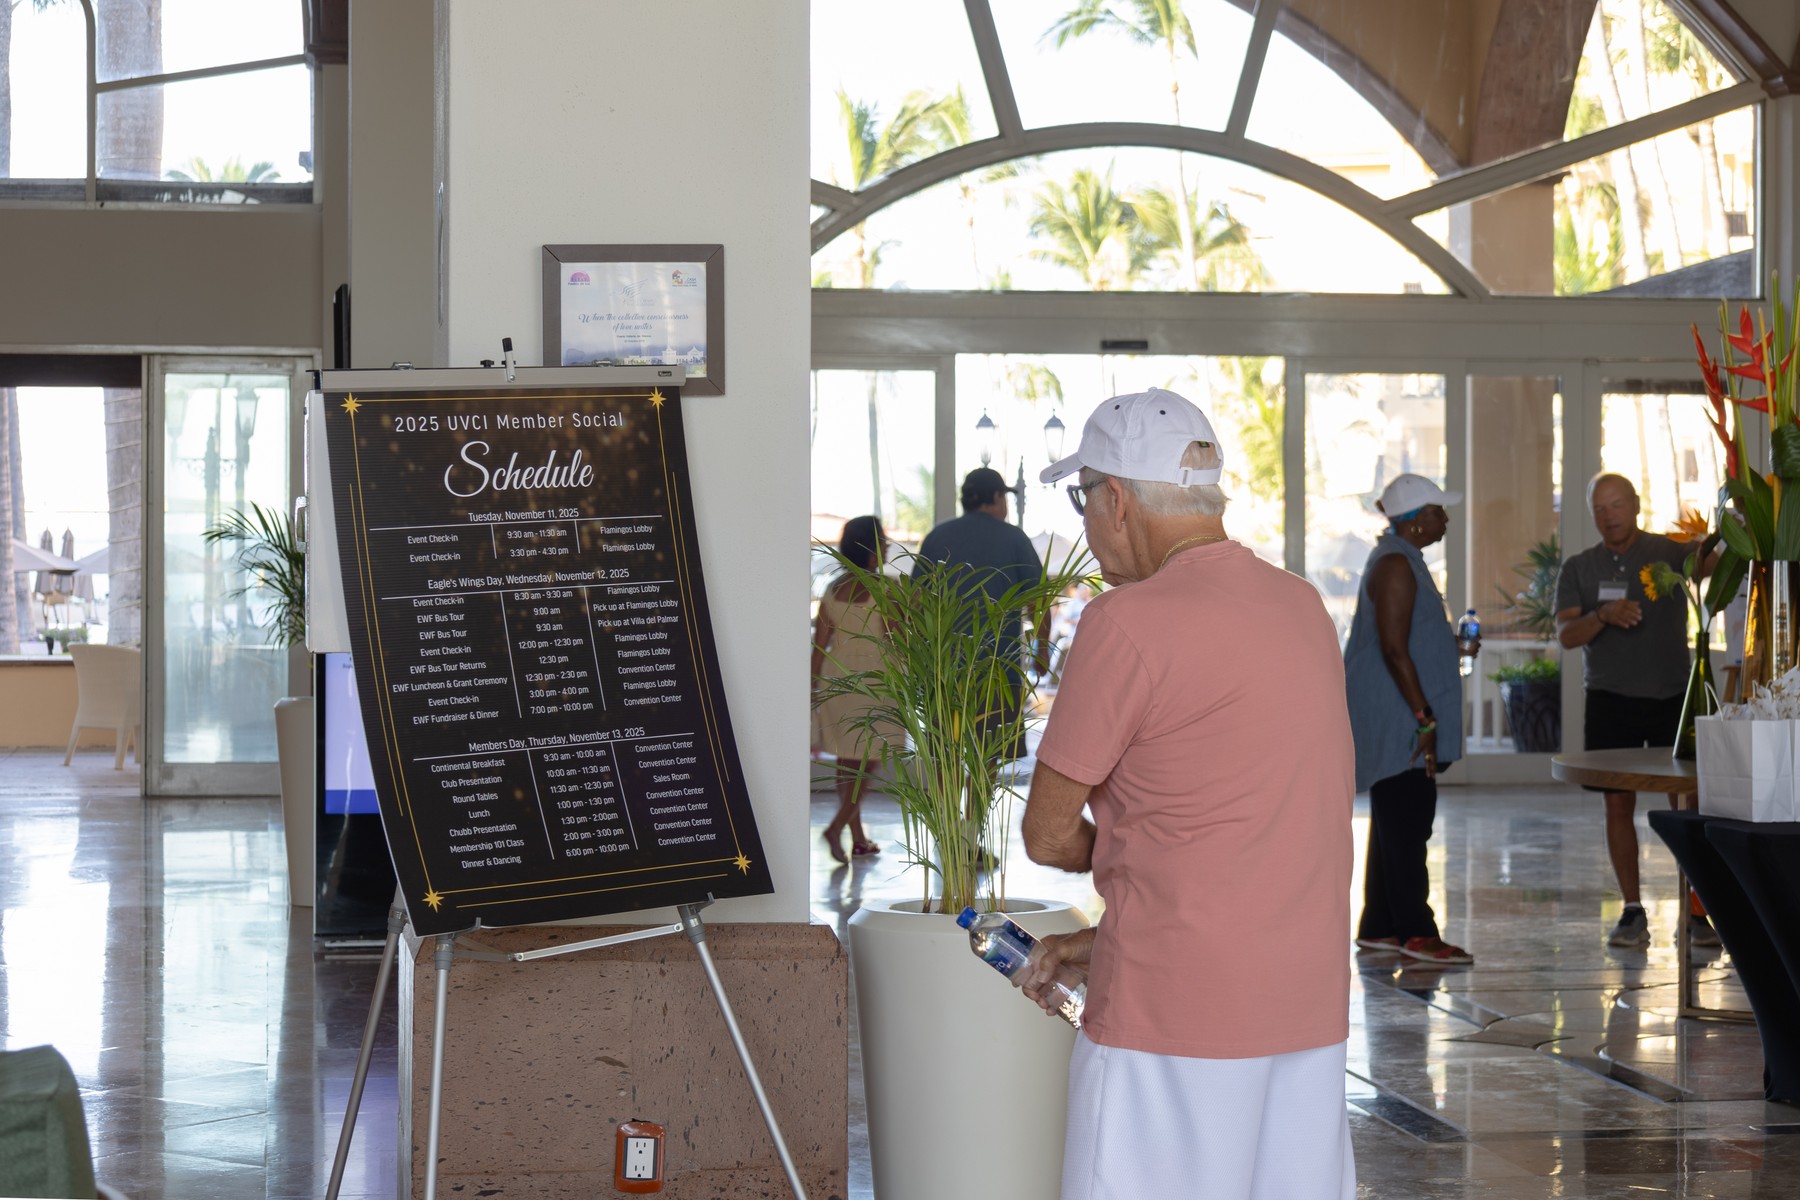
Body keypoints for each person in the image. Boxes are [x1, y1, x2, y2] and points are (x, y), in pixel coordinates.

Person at [1019, 387, 1356, 1200]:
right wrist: (1106, 936)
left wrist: (1121, 873)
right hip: (1304, 1003)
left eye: (1083, 499)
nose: (1086, 524)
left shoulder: (1126, 622)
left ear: (1116, 499)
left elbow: (1047, 835)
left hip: (1170, 1012)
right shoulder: (1302, 606)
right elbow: (1245, 834)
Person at [1556, 473, 1718, 948]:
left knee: (1686, 803)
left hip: (1673, 697)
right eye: (1599, 509)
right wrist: (1602, 616)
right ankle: (1631, 910)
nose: (1609, 516)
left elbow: (1714, 564)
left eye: (1616, 505)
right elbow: (1567, 636)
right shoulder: (1579, 568)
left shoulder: (1668, 552)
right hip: (1610, 699)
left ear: (1635, 505)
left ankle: (1695, 910)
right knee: (1617, 803)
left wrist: (1729, 529)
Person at [1342, 473, 1476, 965]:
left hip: (1401, 712)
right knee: (1409, 821)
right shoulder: (1396, 565)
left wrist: (1452, 645)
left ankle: (1379, 925)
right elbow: (1394, 650)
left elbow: (1407, 638)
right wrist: (1424, 719)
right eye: (1438, 511)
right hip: (1400, 717)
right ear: (1415, 521)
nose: (1445, 518)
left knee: (1394, 819)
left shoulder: (1403, 559)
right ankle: (1417, 932)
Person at [912, 466, 1048, 759]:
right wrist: (1043, 653)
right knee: (988, 757)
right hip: (998, 670)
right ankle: (975, 794)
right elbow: (1039, 601)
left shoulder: (937, 536)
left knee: (943, 756)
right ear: (997, 497)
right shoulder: (1014, 538)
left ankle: (948, 794)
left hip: (944, 670)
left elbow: (914, 601)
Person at [810, 515, 892, 863]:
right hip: (874, 681)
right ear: (872, 550)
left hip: (836, 680)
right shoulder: (886, 589)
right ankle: (836, 827)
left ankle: (858, 838)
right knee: (867, 762)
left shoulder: (833, 588)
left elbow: (820, 645)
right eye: (884, 540)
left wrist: (813, 688)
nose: (889, 545)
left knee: (848, 761)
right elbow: (897, 638)